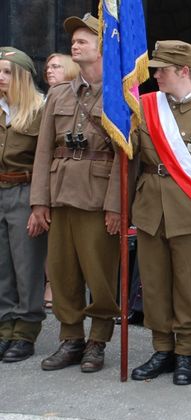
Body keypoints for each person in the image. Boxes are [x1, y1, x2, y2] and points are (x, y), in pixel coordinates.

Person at [128, 41, 191, 386]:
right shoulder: (144, 107)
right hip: (149, 209)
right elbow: (131, 160)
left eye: (162, 70)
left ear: (184, 72)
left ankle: (185, 352)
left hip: (189, 210)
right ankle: (161, 349)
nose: (155, 75)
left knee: (187, 286)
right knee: (153, 285)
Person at [31, 13, 121, 374]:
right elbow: (42, 150)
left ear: (102, 50)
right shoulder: (57, 94)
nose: (76, 44)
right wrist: (40, 201)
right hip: (60, 193)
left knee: (99, 274)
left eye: (84, 39)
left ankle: (97, 340)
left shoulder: (119, 96)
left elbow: (123, 158)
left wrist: (115, 205)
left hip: (98, 198)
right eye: (75, 40)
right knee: (63, 272)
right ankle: (70, 338)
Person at [0, 47, 47, 363]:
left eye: (5, 71)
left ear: (20, 76)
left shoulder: (39, 109)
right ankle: (5, 328)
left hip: (24, 189)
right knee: (2, 266)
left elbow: (45, 161)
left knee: (26, 266)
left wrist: (38, 205)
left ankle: (25, 331)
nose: (0, 77)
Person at [41, 53, 80, 309]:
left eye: (56, 66)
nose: (49, 71)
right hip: (51, 177)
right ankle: (48, 282)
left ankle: (56, 286)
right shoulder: (45, 100)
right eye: (47, 67)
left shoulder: (76, 97)